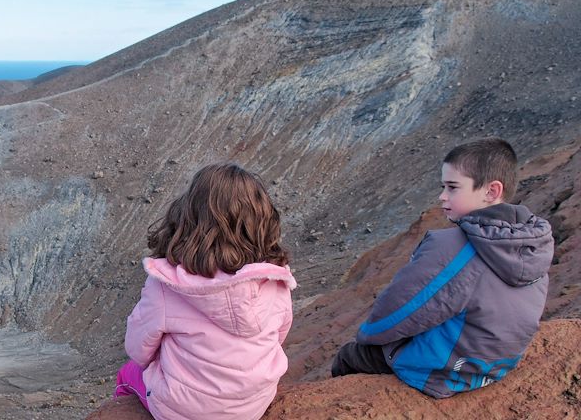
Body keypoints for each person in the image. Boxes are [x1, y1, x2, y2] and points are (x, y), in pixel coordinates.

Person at [332, 138, 554, 398]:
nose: (442, 196)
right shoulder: (533, 243)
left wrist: (367, 337)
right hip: (494, 367)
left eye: (452, 187)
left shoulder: (452, 246)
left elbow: (400, 310)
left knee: (350, 356)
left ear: (491, 192)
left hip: (446, 372)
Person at [114, 163, 296, 419]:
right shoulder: (274, 280)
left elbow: (138, 349)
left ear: (188, 219)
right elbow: (278, 336)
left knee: (127, 374)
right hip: (252, 405)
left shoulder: (167, 284)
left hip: (181, 410)